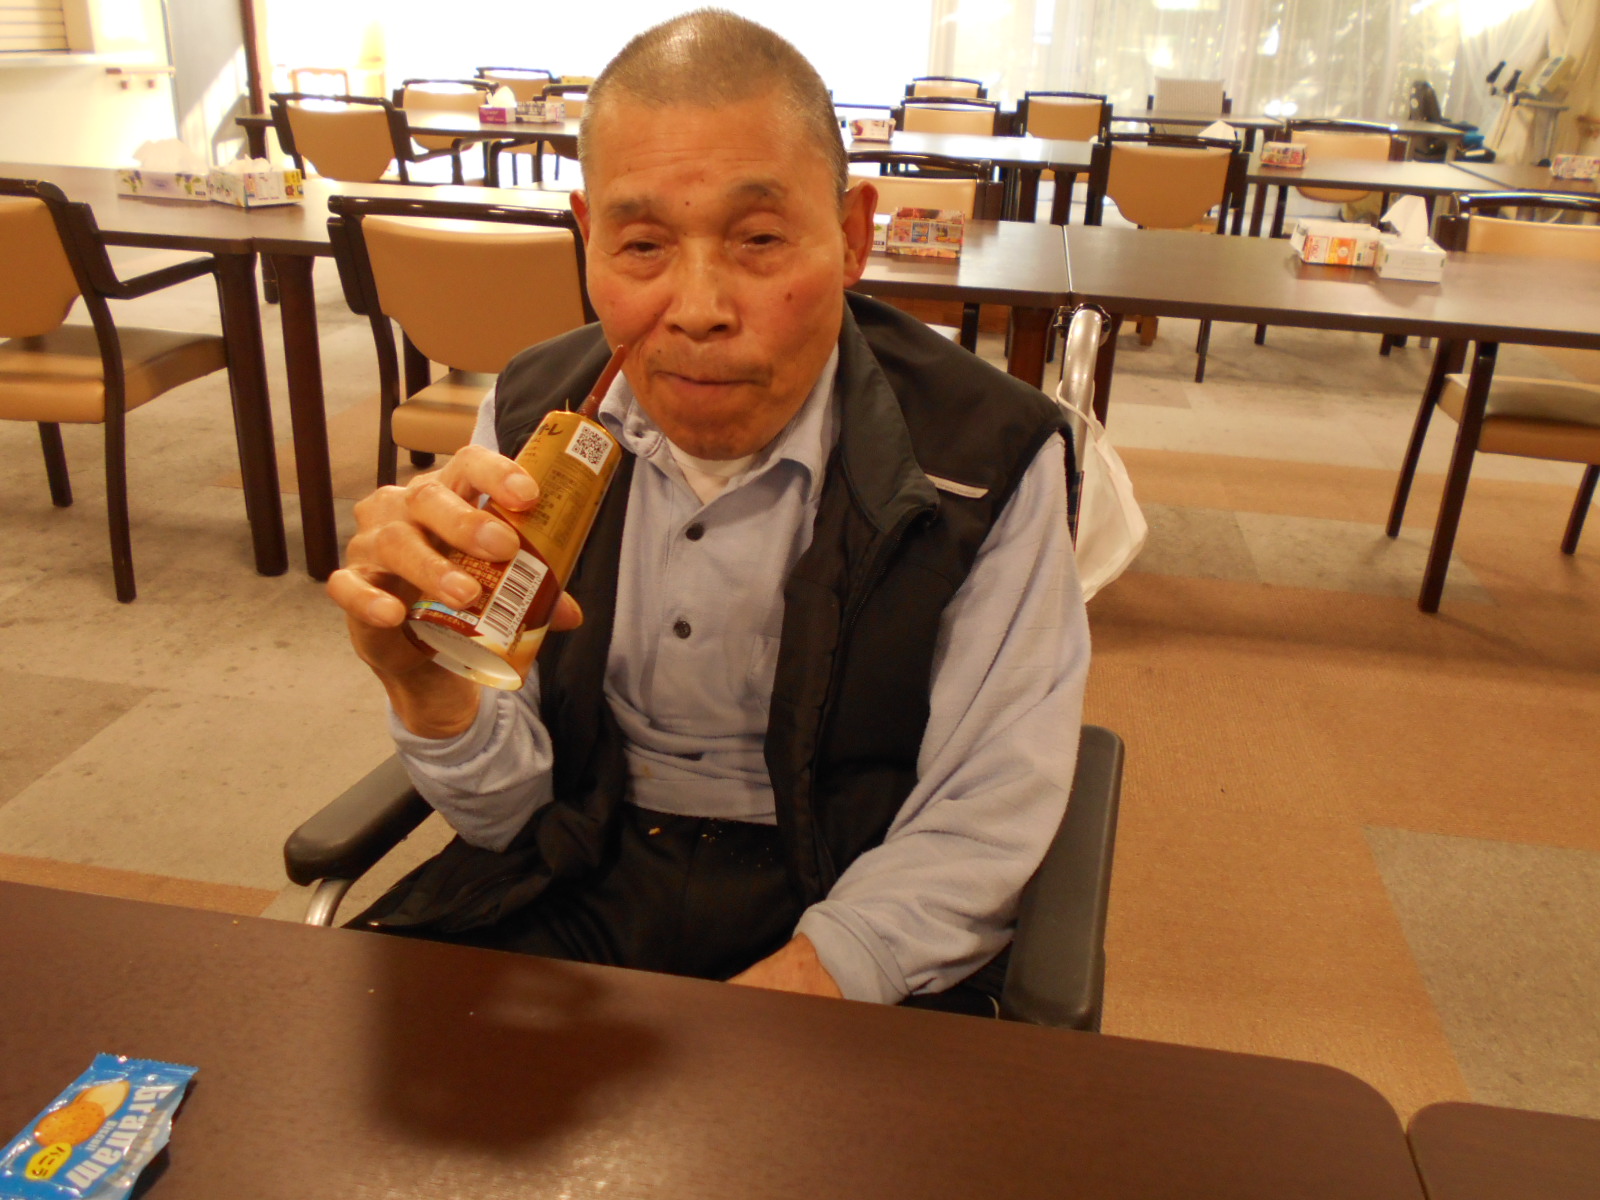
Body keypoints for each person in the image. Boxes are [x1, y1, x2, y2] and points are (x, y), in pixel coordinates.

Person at [327, 8, 1090, 1014]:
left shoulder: (986, 458)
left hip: (849, 888)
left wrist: (766, 1013)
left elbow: (984, 813)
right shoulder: (530, 419)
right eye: (642, 245)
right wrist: (430, 693)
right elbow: (506, 815)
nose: (696, 310)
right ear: (588, 238)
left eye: (759, 239)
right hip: (583, 861)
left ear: (852, 237)